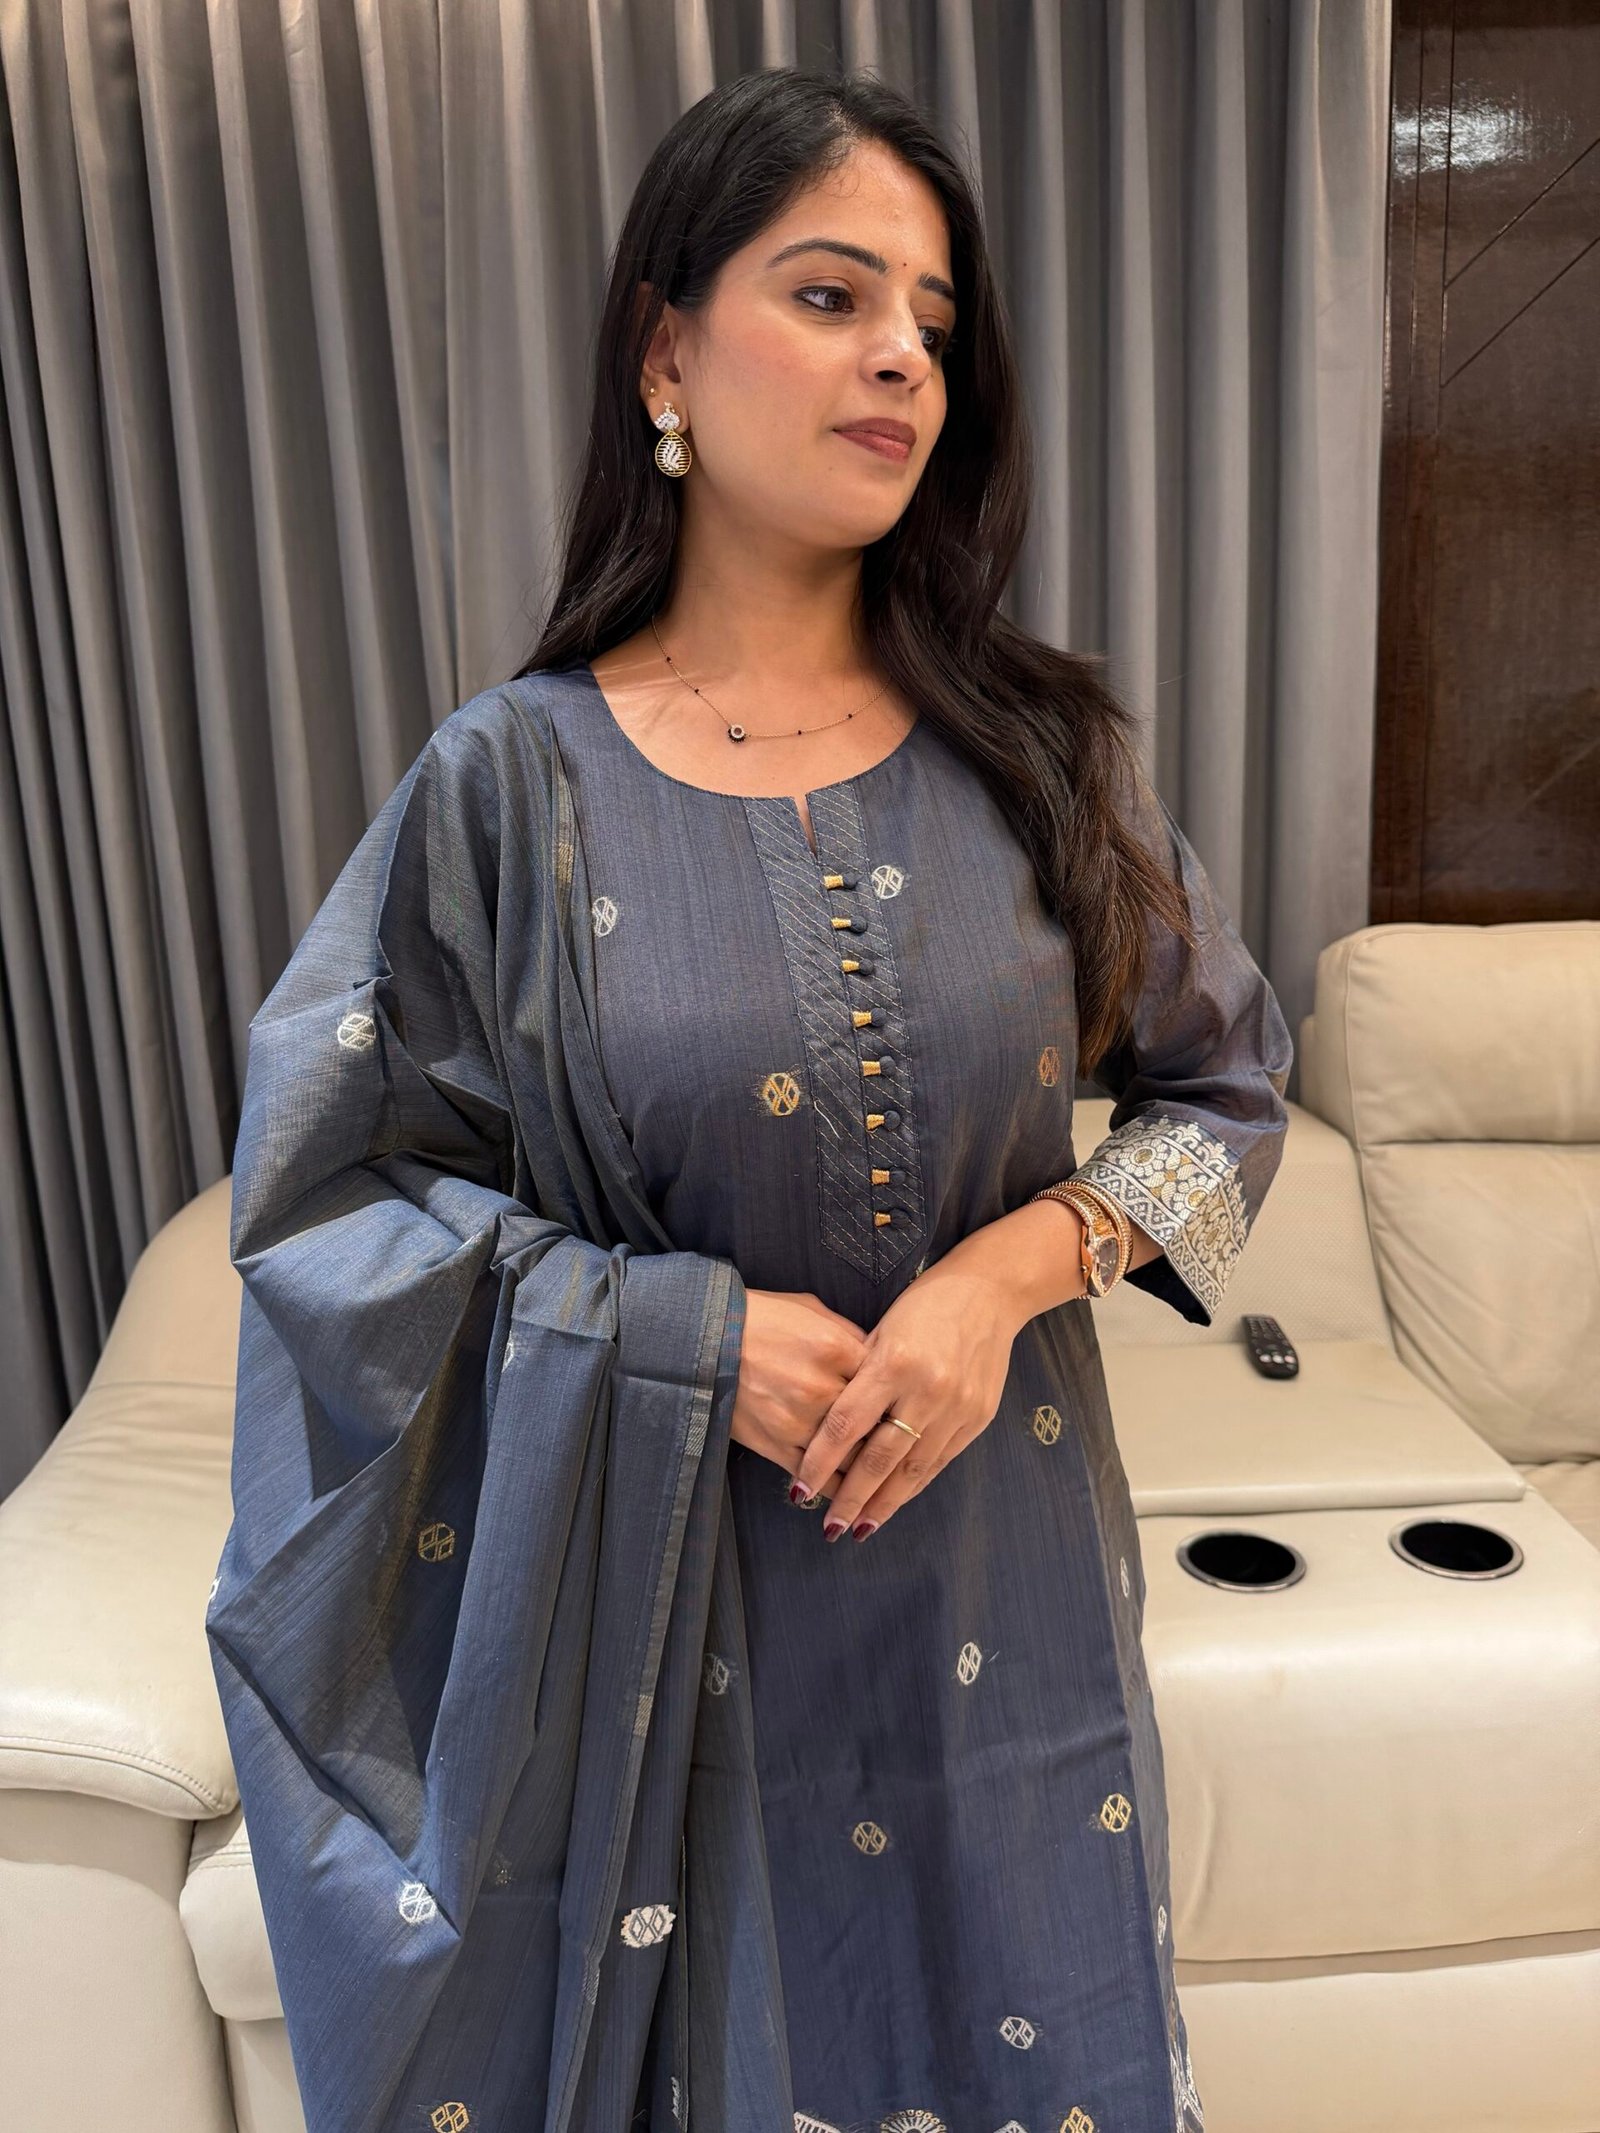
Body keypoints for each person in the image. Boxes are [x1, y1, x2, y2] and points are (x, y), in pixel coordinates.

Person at [208, 65, 1291, 2133]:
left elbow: (1226, 1101)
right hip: (660, 1633)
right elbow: (330, 1200)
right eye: (829, 294)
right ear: (664, 355)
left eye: (932, 322)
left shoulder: (1046, 752)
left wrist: (1004, 1274)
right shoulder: (509, 788)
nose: (901, 357)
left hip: (1002, 1603)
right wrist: (671, 1334)